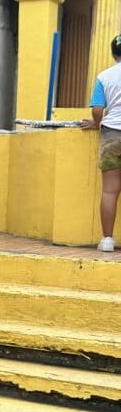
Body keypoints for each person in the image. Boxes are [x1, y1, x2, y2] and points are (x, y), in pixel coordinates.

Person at [81, 33, 121, 252]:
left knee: (110, 191)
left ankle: (107, 240)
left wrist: (97, 123)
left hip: (112, 134)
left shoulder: (104, 76)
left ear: (113, 54)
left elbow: (97, 110)